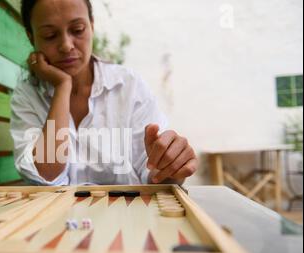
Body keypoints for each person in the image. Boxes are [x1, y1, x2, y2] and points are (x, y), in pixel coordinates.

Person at [10, 0, 198, 186]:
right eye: (50, 35)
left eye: (77, 30)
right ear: (31, 37)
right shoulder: (27, 96)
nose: (66, 46)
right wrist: (62, 86)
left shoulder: (128, 86)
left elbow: (155, 174)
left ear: (91, 26)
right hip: (58, 215)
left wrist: (172, 166)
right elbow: (46, 175)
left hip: (125, 212)